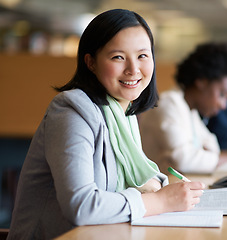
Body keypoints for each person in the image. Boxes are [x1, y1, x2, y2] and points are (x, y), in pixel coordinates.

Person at [7, 9, 204, 240]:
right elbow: (81, 207)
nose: (133, 69)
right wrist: (159, 201)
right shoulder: (71, 111)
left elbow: (134, 181)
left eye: (142, 55)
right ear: (90, 62)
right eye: (118, 57)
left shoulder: (125, 113)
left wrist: (157, 188)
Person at [139, 42, 227, 174]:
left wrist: (203, 156)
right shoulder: (169, 103)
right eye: (222, 94)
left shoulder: (191, 111)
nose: (223, 105)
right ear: (202, 81)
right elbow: (184, 160)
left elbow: (213, 147)